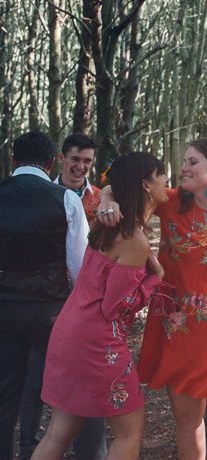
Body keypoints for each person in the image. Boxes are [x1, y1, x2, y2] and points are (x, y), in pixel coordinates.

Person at [98, 137, 207, 460]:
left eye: (192, 162)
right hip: (176, 331)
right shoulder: (172, 203)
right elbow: (123, 185)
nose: (183, 168)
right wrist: (107, 198)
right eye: (184, 161)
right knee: (187, 421)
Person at [32, 153, 169, 460]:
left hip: (70, 332)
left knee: (59, 433)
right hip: (96, 341)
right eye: (164, 177)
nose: (167, 184)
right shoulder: (134, 238)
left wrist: (108, 193)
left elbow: (113, 186)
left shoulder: (109, 221)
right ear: (146, 185)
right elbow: (115, 308)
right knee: (130, 430)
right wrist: (154, 281)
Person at [19, 133, 108, 460]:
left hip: (83, 300)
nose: (81, 167)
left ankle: (84, 445)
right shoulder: (38, 193)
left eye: (87, 161)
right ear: (60, 159)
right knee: (35, 374)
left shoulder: (101, 201)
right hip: (46, 298)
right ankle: (29, 440)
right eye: (75, 159)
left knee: (81, 376)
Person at [0, 132, 89, 460]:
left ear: (13, 160)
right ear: (52, 162)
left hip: (4, 307)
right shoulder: (66, 199)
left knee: (4, 392)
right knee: (39, 384)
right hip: (49, 309)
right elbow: (79, 264)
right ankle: (31, 448)